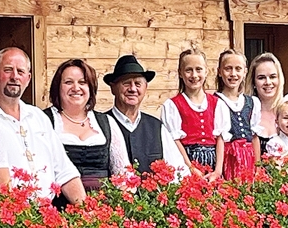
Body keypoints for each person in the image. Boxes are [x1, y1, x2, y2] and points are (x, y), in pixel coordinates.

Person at [0, 47, 85, 205]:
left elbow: (64, 170)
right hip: (5, 217)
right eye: (8, 70)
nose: (14, 76)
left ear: (28, 78)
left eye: (20, 72)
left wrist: (86, 212)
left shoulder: (38, 117)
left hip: (46, 215)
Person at [45, 58, 130, 193]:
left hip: (102, 208)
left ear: (90, 88)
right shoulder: (45, 121)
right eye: (68, 82)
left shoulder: (106, 123)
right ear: (57, 87)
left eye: (82, 82)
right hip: (57, 208)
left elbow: (123, 175)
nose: (76, 88)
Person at [103, 54, 189, 178]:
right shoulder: (101, 124)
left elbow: (178, 171)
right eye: (126, 83)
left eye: (138, 84)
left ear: (145, 88)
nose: (133, 89)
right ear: (113, 88)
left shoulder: (157, 127)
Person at [161, 48, 227, 178]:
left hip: (213, 164)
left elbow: (220, 139)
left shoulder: (217, 103)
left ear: (206, 71)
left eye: (199, 69)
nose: (194, 75)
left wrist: (218, 171)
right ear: (180, 73)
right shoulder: (173, 105)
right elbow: (175, 140)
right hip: (186, 161)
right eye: (188, 70)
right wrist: (190, 168)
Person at [215, 49, 261, 179]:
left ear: (245, 72)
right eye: (228, 69)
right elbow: (219, 138)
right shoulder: (215, 101)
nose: (233, 74)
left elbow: (254, 137)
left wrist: (258, 168)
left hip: (249, 158)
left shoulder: (252, 102)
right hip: (228, 157)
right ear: (219, 72)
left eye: (238, 69)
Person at [246, 52, 284, 155]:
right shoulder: (246, 114)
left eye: (272, 77)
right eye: (261, 77)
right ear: (253, 83)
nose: (268, 82)